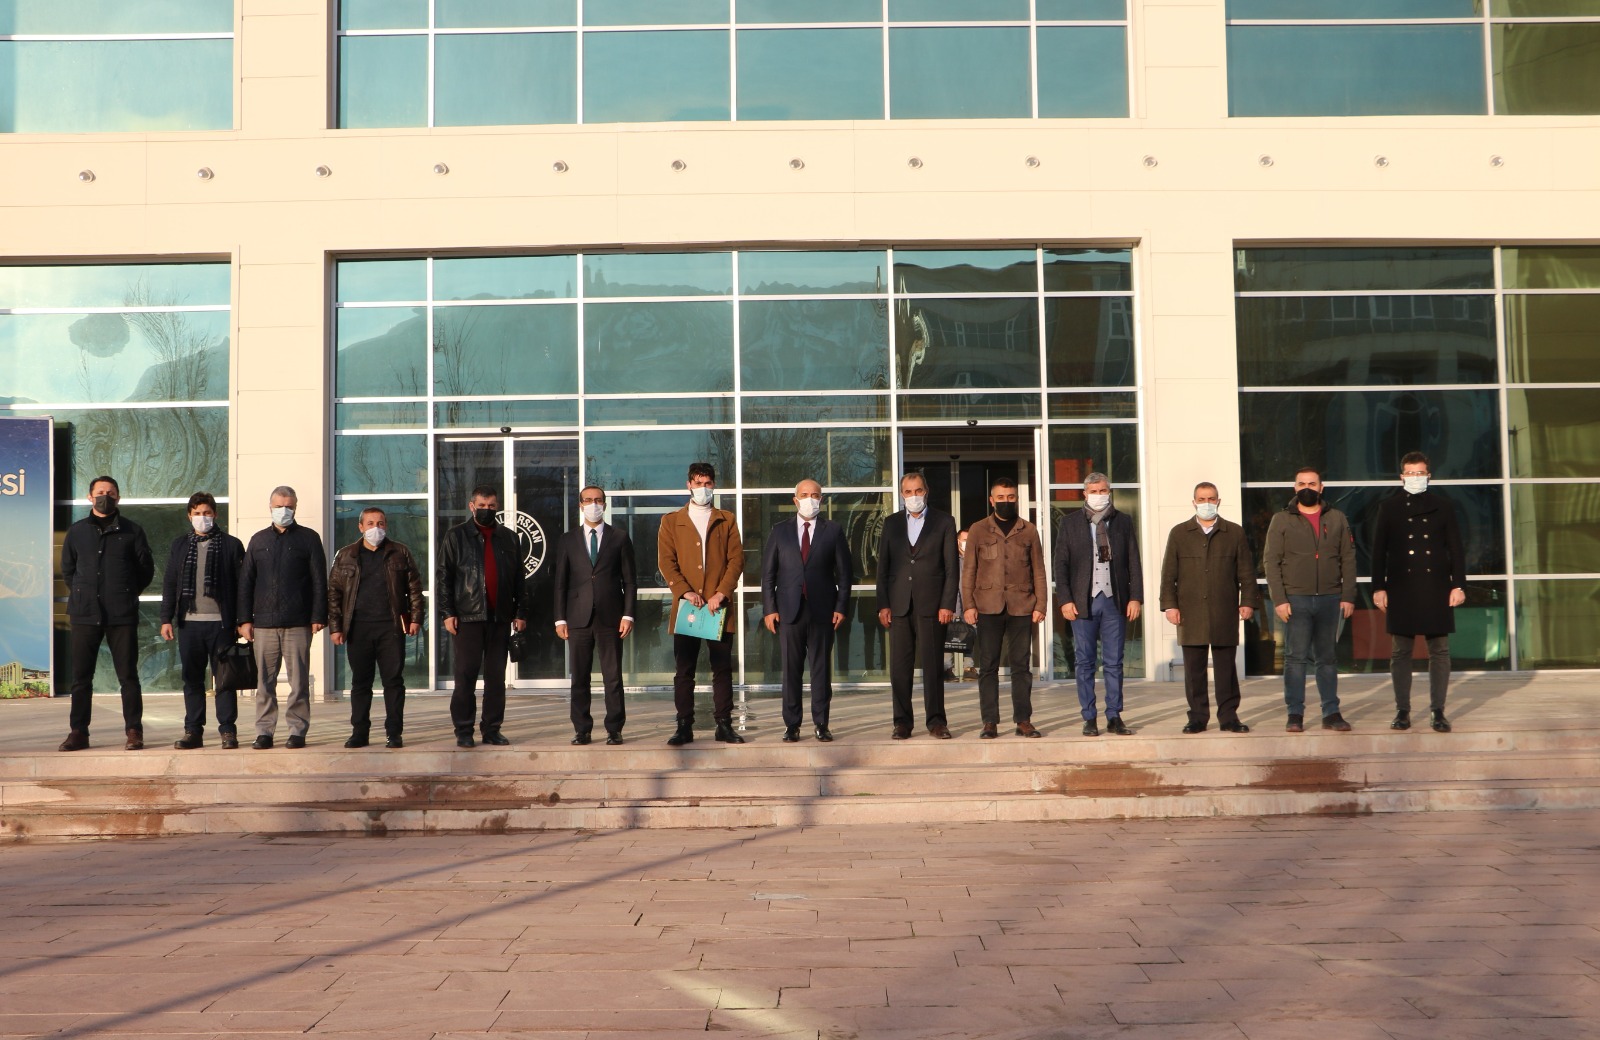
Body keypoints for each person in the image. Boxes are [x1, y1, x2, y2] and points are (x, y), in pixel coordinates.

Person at [1371, 452, 1466, 734]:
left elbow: (1456, 549)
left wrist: (1458, 585)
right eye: (1411, 474)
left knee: (1440, 651)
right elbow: (1378, 552)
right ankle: (1402, 710)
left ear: (1429, 475)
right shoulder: (1388, 507)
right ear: (1402, 477)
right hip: (1402, 587)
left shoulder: (1443, 506)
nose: (1415, 478)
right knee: (1401, 652)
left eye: (1420, 473)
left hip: (1436, 586)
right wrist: (1378, 588)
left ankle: (1438, 711)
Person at [58, 476, 155, 752]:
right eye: (100, 492)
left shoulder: (133, 531)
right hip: (85, 614)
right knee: (81, 678)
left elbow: (145, 569)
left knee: (128, 677)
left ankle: (134, 731)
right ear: (90, 497)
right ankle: (78, 732)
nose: (105, 497)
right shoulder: (77, 532)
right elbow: (68, 570)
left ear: (118, 498)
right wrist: (83, 593)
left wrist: (126, 592)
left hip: (121, 614)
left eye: (111, 493)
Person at [1158, 482, 1261, 734]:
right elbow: (1168, 574)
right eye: (1202, 499)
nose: (1207, 503)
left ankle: (1229, 717)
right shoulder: (1179, 533)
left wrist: (1248, 601)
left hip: (1223, 610)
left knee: (1226, 669)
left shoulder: (1234, 532)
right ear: (1194, 502)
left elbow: (1246, 572)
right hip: (1190, 612)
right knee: (1194, 670)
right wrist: (1170, 605)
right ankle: (1197, 718)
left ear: (1218, 501)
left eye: (1211, 498)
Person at [1262, 467, 1357, 733]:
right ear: (1295, 488)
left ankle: (1331, 713)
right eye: (1302, 484)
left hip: (1330, 598)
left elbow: (1348, 558)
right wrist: (1279, 599)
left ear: (1321, 487)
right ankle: (1295, 714)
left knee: (1327, 658)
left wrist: (1348, 595)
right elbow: (1271, 561)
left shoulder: (1337, 518)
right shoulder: (1281, 520)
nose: (1307, 488)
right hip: (1296, 599)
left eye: (1312, 484)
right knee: (1295, 658)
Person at [658, 462, 745, 746]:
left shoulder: (726, 519)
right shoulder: (671, 521)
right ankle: (684, 725)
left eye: (707, 483)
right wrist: (684, 591)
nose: (703, 488)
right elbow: (666, 562)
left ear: (714, 485)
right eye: (698, 483)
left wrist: (721, 593)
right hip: (688, 608)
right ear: (689, 485)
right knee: (685, 670)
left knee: (722, 669)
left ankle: (724, 724)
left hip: (718, 608)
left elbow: (736, 560)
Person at [762, 479, 853, 742]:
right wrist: (769, 608)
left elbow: (845, 574)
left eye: (815, 495)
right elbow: (768, 575)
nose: (809, 499)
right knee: (791, 671)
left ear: (821, 499)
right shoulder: (779, 531)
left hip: (823, 611)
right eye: (804, 495)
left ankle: (821, 723)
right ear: (795, 500)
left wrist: (841, 606)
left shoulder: (833, 530)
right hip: (788, 611)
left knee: (820, 671)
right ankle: (792, 725)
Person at [326, 507, 425, 749]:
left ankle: (394, 733)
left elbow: (414, 588)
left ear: (386, 526)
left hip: (391, 628)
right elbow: (334, 593)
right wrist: (336, 627)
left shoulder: (400, 552)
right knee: (361, 683)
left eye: (380, 523)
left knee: (393, 682)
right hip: (358, 628)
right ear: (360, 527)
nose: (376, 528)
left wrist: (415, 619)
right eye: (370, 523)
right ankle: (359, 733)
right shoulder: (346, 555)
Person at [438, 485, 528, 748]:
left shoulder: (509, 538)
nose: (487, 510)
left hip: (500, 618)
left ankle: (492, 729)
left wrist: (520, 612)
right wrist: (447, 612)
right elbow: (444, 577)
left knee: (496, 678)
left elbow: (519, 580)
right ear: (472, 506)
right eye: (482, 506)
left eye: (491, 506)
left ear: (496, 507)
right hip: (467, 618)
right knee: (465, 676)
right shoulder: (456, 536)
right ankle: (464, 730)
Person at [238, 485, 327, 750]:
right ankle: (264, 732)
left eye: (289, 506)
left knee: (299, 681)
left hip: (298, 622)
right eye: (279, 506)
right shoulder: (258, 540)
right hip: (264, 623)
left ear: (295, 508)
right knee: (264, 682)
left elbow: (319, 580)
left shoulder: (309, 539)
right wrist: (244, 620)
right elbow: (246, 582)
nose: (284, 511)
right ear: (270, 507)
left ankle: (297, 731)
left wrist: (318, 615)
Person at [1055, 472, 1144, 737]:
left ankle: (1114, 715)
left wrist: (1136, 597)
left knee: (1114, 662)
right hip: (1083, 601)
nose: (1098, 495)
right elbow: (1061, 564)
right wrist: (1065, 599)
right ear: (1084, 494)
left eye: (1103, 490)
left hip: (1114, 601)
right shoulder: (1070, 523)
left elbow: (1133, 561)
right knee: (1084, 661)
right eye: (1093, 491)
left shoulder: (1122, 521)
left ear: (1110, 492)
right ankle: (1089, 717)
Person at [961, 477, 1048, 739]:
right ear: (992, 500)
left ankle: (1023, 720)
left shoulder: (1028, 530)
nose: (1006, 501)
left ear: (1016, 499)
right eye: (1000, 497)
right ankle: (989, 722)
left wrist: (1041, 604)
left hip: (1022, 606)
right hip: (988, 607)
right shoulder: (978, 530)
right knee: (988, 666)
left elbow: (1039, 570)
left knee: (1021, 666)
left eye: (1010, 497)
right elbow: (969, 571)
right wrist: (968, 605)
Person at [159, 492, 245, 749]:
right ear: (189, 516)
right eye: (197, 513)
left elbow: (242, 586)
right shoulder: (179, 545)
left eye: (207, 513)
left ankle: (228, 731)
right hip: (189, 623)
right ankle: (193, 731)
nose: (202, 517)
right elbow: (170, 583)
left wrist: (242, 620)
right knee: (192, 679)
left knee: (225, 680)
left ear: (215, 514)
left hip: (221, 624)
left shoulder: (231, 545)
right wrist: (166, 618)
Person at [876, 471, 958, 739]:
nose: (914, 496)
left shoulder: (944, 522)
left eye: (918, 490)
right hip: (899, 605)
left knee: (933, 667)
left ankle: (936, 721)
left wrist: (947, 603)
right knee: (900, 669)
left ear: (926, 491)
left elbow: (951, 568)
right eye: (909, 492)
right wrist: (883, 604)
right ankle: (902, 722)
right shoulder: (891, 524)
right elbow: (883, 568)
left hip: (932, 606)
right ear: (902, 494)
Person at [553, 485, 637, 745]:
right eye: (588, 500)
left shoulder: (620, 537)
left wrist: (628, 615)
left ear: (605, 504)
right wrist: (560, 618)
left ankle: (614, 729)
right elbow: (560, 583)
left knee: (613, 677)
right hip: (577, 618)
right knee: (579, 677)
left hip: (611, 618)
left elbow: (630, 581)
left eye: (598, 500)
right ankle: (582, 729)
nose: (593, 504)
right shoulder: (567, 540)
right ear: (580, 505)